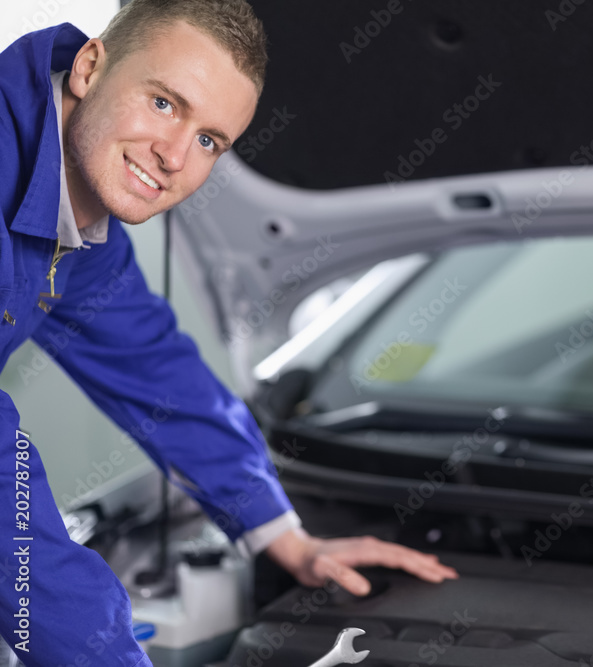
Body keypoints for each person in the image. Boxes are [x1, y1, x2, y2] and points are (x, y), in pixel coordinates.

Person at [0, 0, 457, 663]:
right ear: (90, 66)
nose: (173, 156)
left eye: (209, 140)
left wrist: (282, 536)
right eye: (163, 103)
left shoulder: (78, 214)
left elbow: (154, 369)